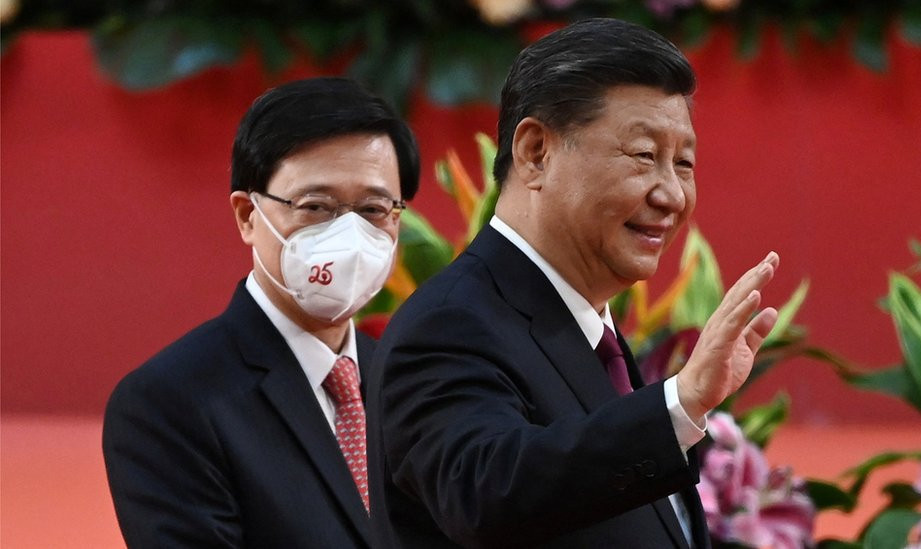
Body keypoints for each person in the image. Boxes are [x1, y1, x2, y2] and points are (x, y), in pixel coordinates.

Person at [366, 18, 780, 548]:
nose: (672, 195)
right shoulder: (451, 324)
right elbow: (486, 495)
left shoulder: (590, 332)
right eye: (644, 157)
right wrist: (679, 403)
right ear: (536, 151)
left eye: (684, 163)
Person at [103, 77, 419, 548]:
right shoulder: (170, 402)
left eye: (373, 209)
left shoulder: (412, 384)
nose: (348, 235)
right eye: (316, 206)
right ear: (248, 216)